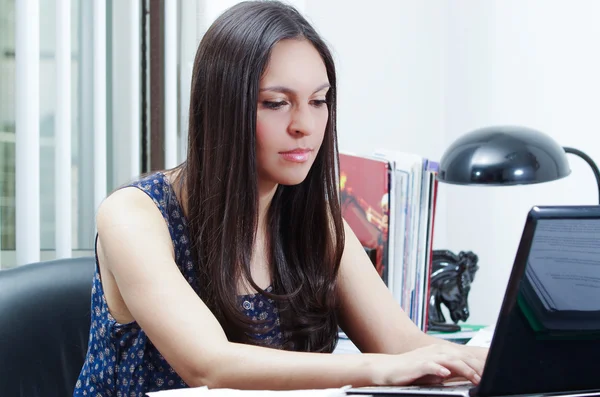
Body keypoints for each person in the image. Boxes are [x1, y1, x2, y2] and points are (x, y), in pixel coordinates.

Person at [74, 1, 488, 396]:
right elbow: (208, 365)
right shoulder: (134, 215)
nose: (305, 125)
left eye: (319, 101)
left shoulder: (314, 220)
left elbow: (404, 345)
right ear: (223, 109)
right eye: (276, 103)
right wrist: (374, 368)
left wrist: (508, 357)